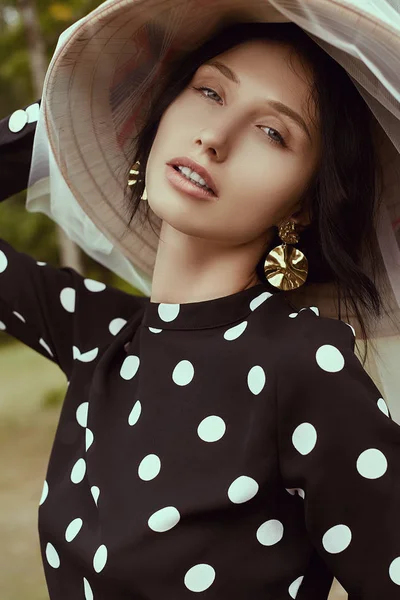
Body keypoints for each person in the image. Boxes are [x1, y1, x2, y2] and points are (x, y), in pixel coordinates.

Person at [1, 1, 400, 599]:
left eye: (274, 132)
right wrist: (85, 109)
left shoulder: (305, 367)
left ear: (302, 204)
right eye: (209, 92)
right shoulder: (98, 339)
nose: (214, 137)